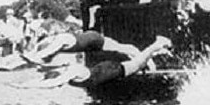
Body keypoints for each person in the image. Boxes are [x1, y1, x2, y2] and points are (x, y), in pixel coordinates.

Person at [13, 36, 172, 89]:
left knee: (137, 64)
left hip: (106, 71)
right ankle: (158, 51)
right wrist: (24, 83)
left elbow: (52, 83)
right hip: (99, 70)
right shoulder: (64, 67)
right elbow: (46, 76)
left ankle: (157, 45)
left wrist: (26, 85)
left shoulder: (70, 71)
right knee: (134, 60)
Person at [21, 30, 141, 65]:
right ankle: (141, 56)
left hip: (93, 39)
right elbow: (38, 49)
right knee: (122, 48)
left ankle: (144, 58)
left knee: (122, 48)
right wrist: (28, 56)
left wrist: (34, 57)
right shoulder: (50, 40)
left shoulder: (60, 40)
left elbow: (47, 51)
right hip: (89, 39)